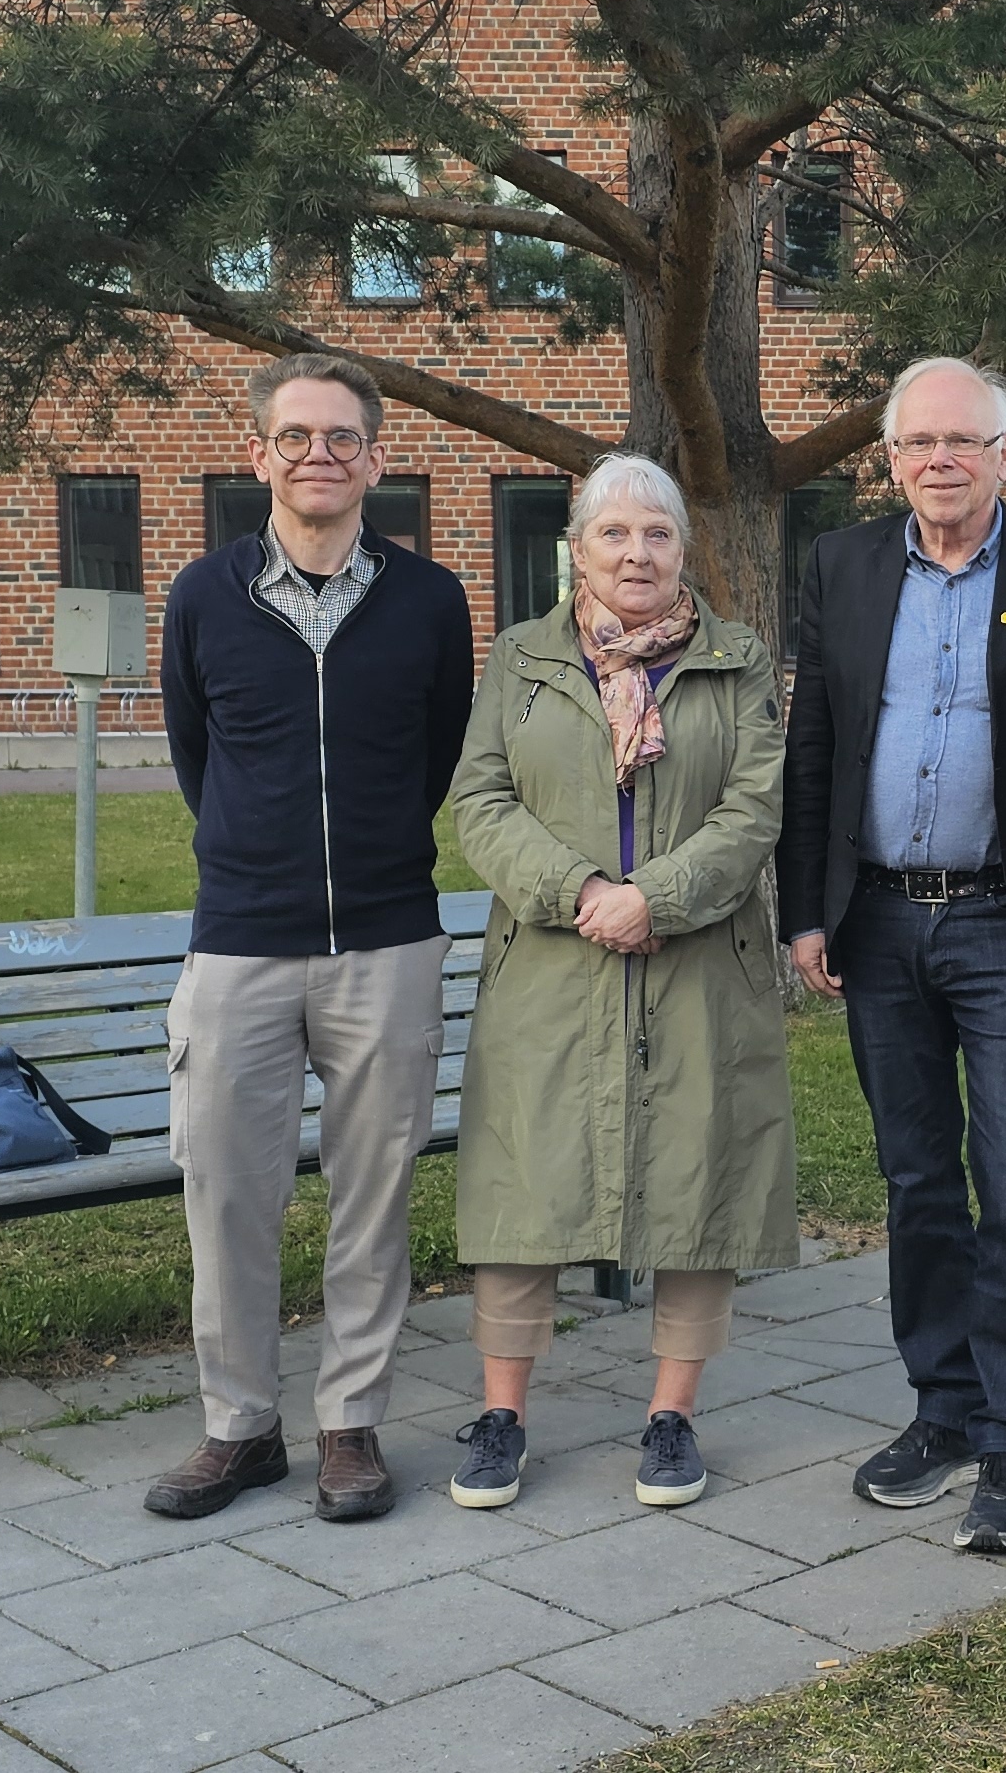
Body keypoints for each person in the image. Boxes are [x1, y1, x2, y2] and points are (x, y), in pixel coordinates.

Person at [782, 355, 1006, 1553]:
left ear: (1005, 454)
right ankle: (944, 1406)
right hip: (876, 922)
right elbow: (813, 743)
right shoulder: (843, 565)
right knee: (916, 1175)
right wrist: (805, 908)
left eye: (962, 441)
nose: (939, 459)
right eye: (917, 442)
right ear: (890, 459)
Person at [150, 353, 480, 1524]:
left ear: (376, 458)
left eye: (341, 437)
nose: (318, 455)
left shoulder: (433, 600)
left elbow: (436, 754)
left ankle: (349, 1422)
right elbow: (202, 759)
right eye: (295, 437)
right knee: (228, 1193)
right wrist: (258, 857)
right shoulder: (202, 594)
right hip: (238, 940)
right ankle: (238, 1428)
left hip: (387, 940)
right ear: (259, 457)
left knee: (371, 1192)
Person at [444, 452, 796, 1514]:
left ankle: (671, 1415)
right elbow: (480, 797)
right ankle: (502, 1414)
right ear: (578, 547)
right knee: (524, 1181)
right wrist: (581, 887)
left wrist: (659, 895)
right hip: (553, 961)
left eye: (657, 534)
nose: (635, 552)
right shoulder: (519, 657)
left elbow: (753, 810)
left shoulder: (738, 662)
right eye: (614, 533)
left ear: (683, 549)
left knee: (698, 1173)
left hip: (697, 963)